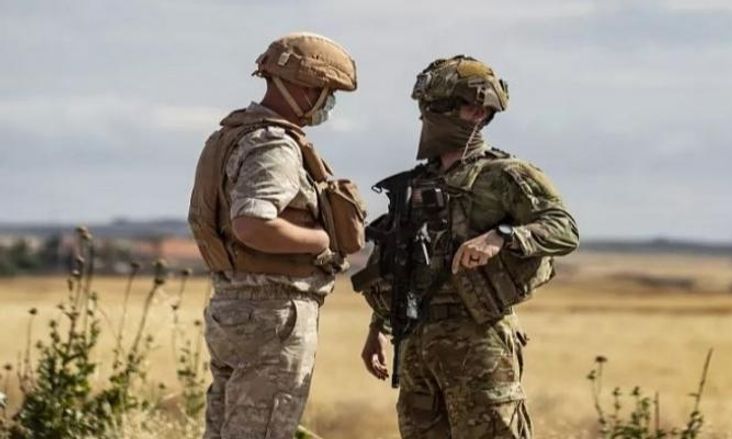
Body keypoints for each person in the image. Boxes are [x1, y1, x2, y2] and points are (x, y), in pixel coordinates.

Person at [356, 55, 579, 438]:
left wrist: (502, 236)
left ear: (478, 111)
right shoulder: (416, 182)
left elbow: (564, 229)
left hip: (478, 338)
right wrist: (379, 325)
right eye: (427, 106)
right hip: (417, 339)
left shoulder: (504, 174)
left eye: (440, 106)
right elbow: (401, 261)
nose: (428, 115)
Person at [188, 32, 363, 439]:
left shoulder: (231, 136)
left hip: (235, 306)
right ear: (306, 88)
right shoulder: (274, 146)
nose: (328, 104)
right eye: (327, 93)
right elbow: (252, 223)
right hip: (273, 314)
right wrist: (320, 241)